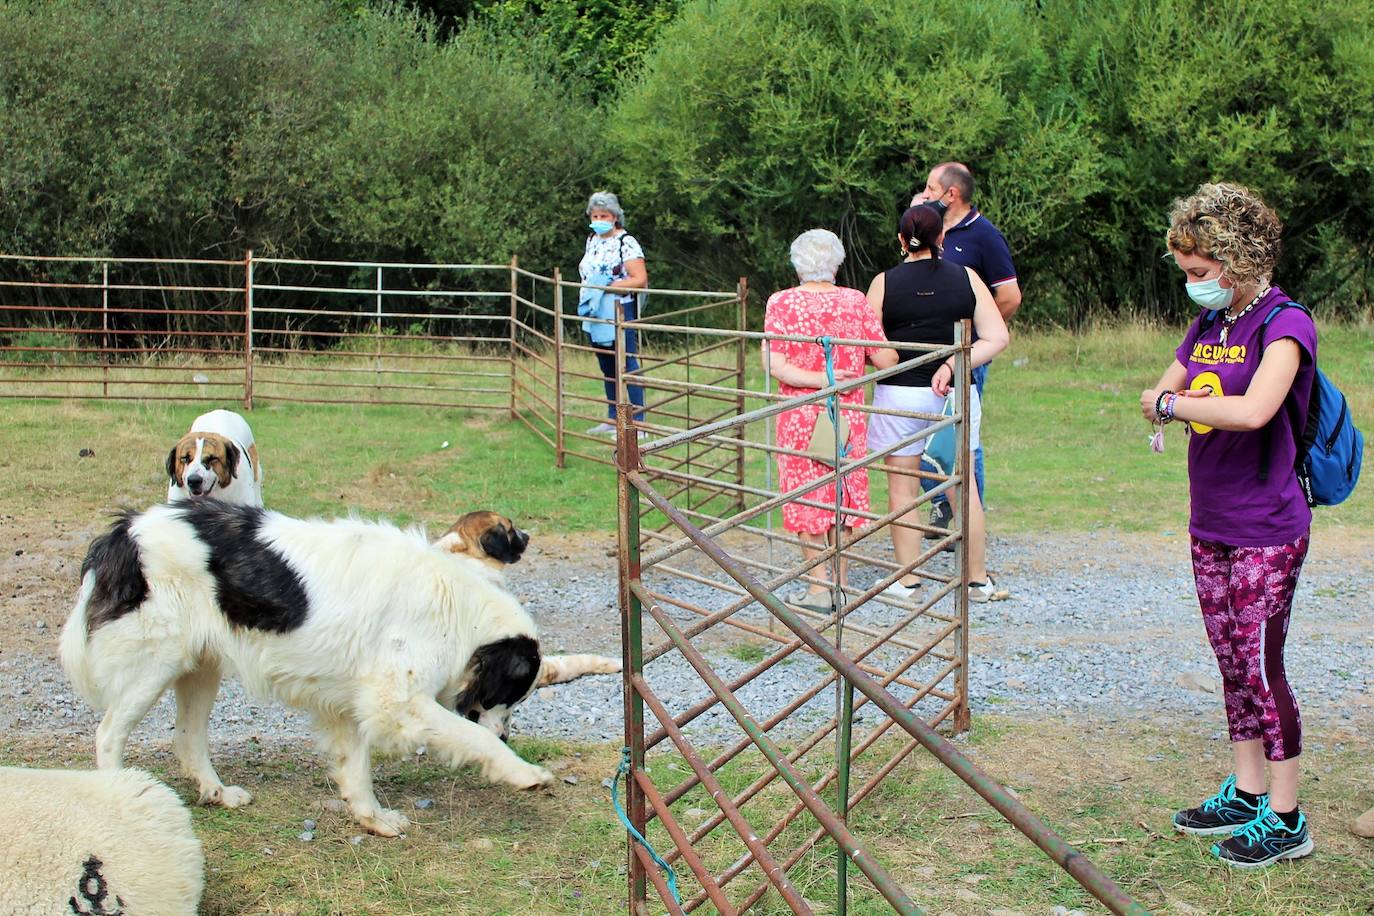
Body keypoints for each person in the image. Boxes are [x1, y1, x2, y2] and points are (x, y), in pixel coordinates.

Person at [1139, 182, 1317, 868]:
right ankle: (1246, 792)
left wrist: (1172, 404)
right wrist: (1169, 400)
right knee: (1229, 660)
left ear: (1237, 261)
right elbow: (1152, 395)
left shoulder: (1286, 324)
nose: (1191, 286)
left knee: (1262, 665)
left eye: (1199, 273)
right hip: (1209, 518)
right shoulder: (1209, 326)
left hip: (1267, 526)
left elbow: (1254, 411)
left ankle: (1286, 814)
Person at [866, 204, 1010, 603]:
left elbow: (870, 341)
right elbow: (997, 337)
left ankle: (908, 581)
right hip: (954, 398)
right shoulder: (968, 278)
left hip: (898, 396)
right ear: (942, 238)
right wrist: (953, 361)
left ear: (901, 240)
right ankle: (977, 580)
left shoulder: (883, 283)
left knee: (902, 487)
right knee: (962, 489)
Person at [764, 229, 898, 612]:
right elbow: (886, 359)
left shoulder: (781, 303)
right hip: (846, 412)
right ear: (837, 264)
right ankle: (838, 583)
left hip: (800, 414)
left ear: (797, 264)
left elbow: (775, 365)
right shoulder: (855, 302)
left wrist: (815, 380)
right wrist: (845, 370)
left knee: (807, 493)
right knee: (841, 492)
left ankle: (818, 588)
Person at [911, 162, 1020, 538]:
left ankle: (973, 518)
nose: (924, 194)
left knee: (962, 435)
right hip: (923, 354)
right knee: (924, 432)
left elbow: (1009, 295)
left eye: (929, 188)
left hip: (963, 355)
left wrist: (974, 337)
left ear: (950, 194)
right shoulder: (928, 229)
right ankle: (941, 506)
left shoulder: (984, 236)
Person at [578, 191, 647, 435]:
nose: (598, 219)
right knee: (607, 364)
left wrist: (607, 286)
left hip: (619, 309)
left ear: (615, 217)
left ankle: (638, 422)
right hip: (595, 309)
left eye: (603, 215)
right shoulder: (592, 239)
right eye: (595, 215)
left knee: (627, 363)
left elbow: (639, 279)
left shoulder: (625, 242)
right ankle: (612, 417)